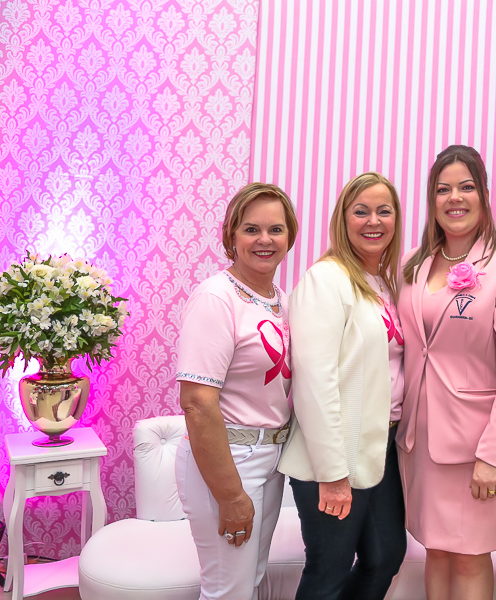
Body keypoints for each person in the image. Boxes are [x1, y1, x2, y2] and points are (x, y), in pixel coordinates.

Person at [397, 144, 496, 600]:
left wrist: (495, 455)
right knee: (437, 550)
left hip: (479, 444)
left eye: (466, 187)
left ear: (483, 194)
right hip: (420, 440)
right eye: (443, 189)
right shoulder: (414, 264)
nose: (454, 198)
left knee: (469, 555)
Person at [278, 172, 407, 600]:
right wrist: (333, 474)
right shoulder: (325, 280)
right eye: (361, 211)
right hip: (335, 455)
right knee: (329, 571)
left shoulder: (384, 283)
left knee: (385, 556)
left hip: (380, 448)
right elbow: (315, 384)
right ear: (342, 219)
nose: (374, 221)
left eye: (384, 211)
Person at [174, 182, 298, 600]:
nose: (265, 240)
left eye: (275, 229)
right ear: (231, 235)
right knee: (228, 591)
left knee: (250, 582)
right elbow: (196, 403)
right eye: (251, 229)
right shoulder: (216, 297)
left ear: (290, 236)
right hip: (230, 459)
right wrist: (229, 495)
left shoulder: (280, 300)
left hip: (271, 457)